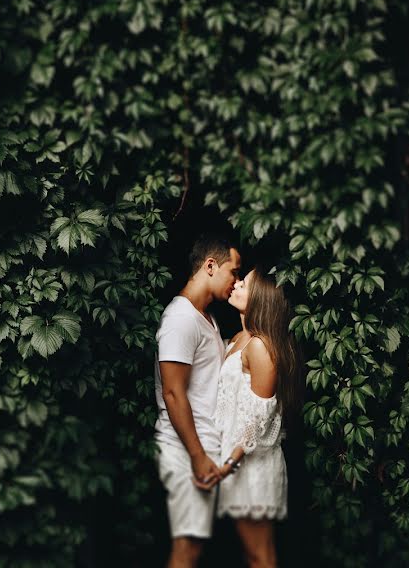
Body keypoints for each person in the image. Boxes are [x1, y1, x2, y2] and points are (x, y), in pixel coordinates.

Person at [154, 234, 241, 567]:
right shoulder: (181, 318)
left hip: (204, 447)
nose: (235, 281)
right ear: (210, 266)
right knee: (187, 549)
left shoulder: (206, 318)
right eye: (233, 271)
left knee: (194, 547)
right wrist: (197, 455)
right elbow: (173, 392)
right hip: (187, 450)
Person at [214, 267, 302, 568]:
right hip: (237, 462)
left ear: (261, 299)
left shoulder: (261, 347)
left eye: (245, 283)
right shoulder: (240, 337)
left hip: (253, 467)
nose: (236, 283)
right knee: (249, 553)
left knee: (260, 555)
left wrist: (227, 465)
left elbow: (257, 418)